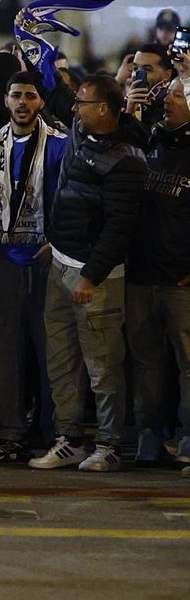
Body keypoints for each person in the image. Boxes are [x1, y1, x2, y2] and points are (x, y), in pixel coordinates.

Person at [30, 74, 146, 472]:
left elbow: (119, 228)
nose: (75, 109)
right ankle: (70, 439)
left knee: (103, 366)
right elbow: (57, 97)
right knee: (61, 360)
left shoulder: (126, 160)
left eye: (83, 103)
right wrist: (33, 51)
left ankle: (109, 445)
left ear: (103, 110)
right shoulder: (82, 132)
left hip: (95, 280)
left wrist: (91, 276)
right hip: (61, 264)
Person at [0, 71, 68, 461]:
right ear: (6, 100)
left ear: (41, 102)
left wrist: (59, 243)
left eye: (30, 95)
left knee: (53, 350)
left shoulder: (61, 147)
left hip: (48, 261)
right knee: (4, 349)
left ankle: (55, 430)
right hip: (5, 260)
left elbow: (69, 201)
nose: (23, 102)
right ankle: (10, 431)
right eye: (16, 95)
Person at [123, 74, 190, 466]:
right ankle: (149, 433)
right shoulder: (149, 139)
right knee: (146, 361)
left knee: (187, 364)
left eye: (178, 95)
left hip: (180, 279)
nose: (168, 99)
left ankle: (186, 436)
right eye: (169, 93)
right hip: (142, 275)